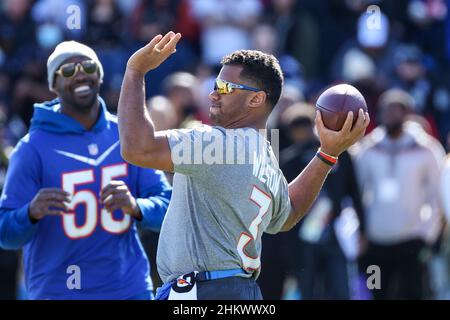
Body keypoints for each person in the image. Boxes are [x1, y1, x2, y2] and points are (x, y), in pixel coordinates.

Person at [118, 31, 369, 300]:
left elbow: (137, 148)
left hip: (203, 291)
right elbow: (288, 214)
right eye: (215, 85)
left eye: (225, 88)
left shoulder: (220, 144)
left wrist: (135, 71)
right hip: (243, 292)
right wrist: (327, 154)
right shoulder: (265, 155)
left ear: (256, 99)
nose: (214, 94)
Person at [0, 41, 172, 300]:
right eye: (67, 71)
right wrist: (30, 213)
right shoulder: (31, 148)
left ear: (99, 75)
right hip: (59, 293)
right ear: (53, 85)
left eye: (88, 66)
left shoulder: (125, 135)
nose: (80, 74)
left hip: (129, 290)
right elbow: (5, 234)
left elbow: (169, 208)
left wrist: (136, 207)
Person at [355, 88, 445, 299]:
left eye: (398, 110)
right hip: (376, 239)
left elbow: (436, 194)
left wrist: (428, 232)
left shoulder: (426, 149)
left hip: (411, 238)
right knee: (376, 291)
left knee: (412, 293)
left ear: (408, 114)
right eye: (387, 110)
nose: (392, 115)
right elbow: (357, 192)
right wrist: (359, 232)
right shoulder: (368, 149)